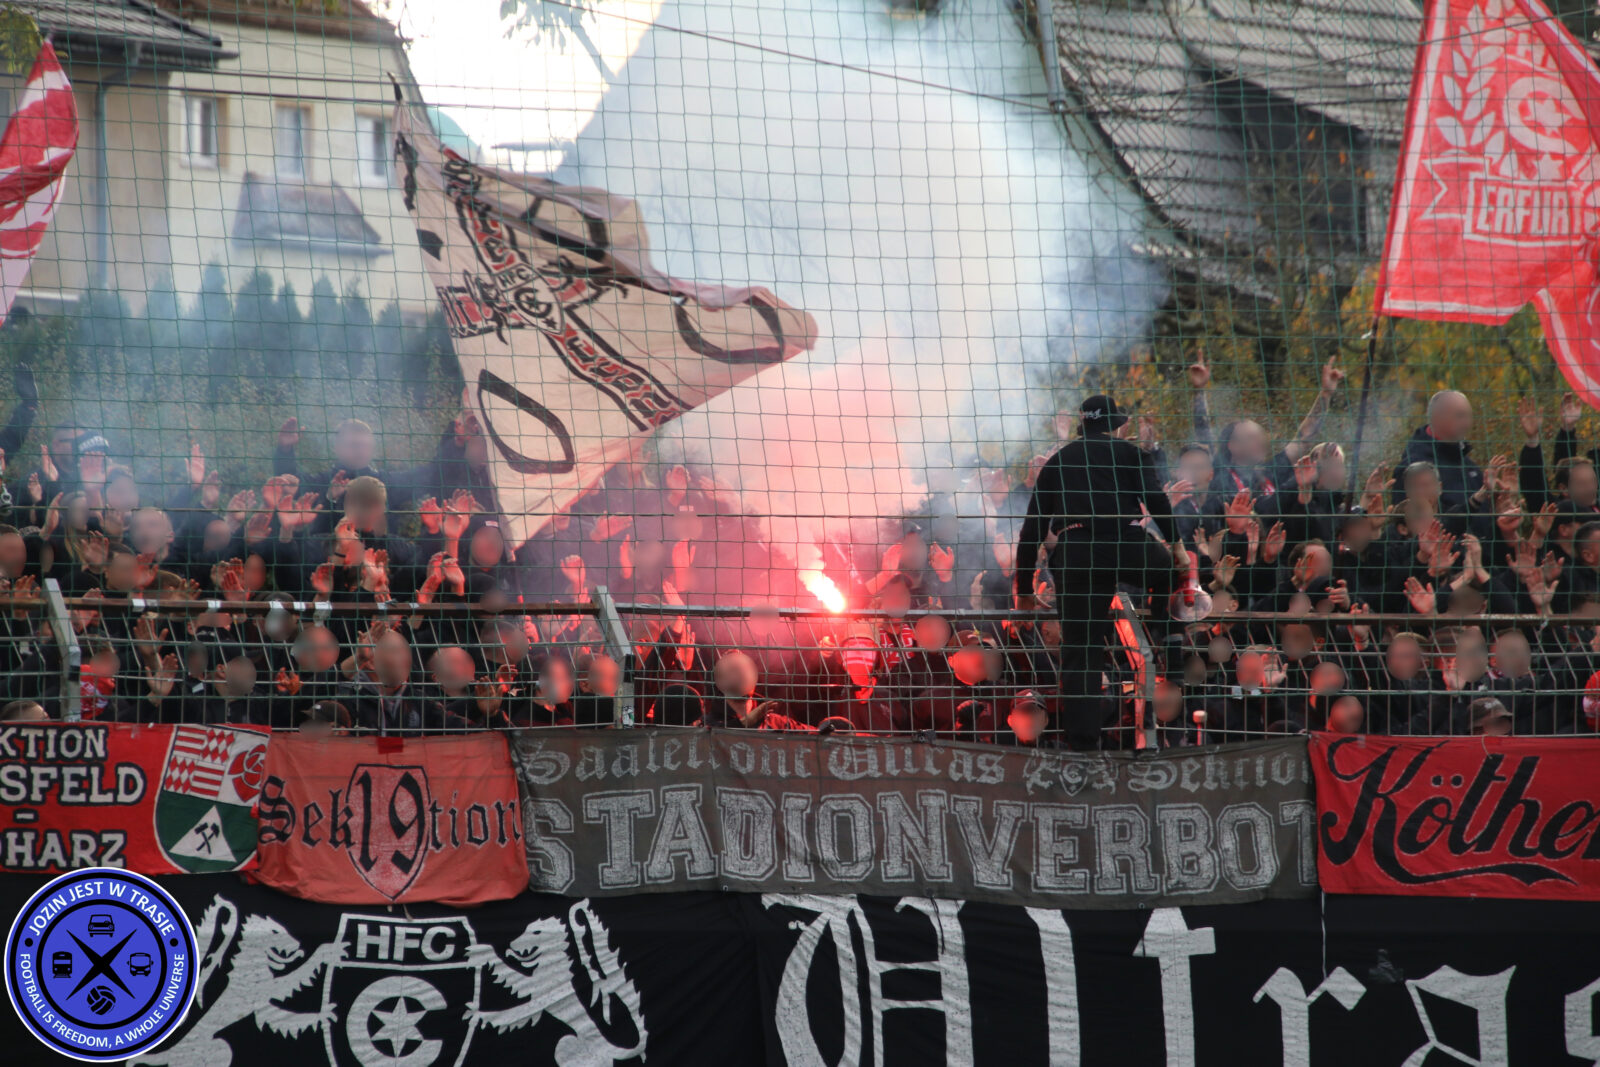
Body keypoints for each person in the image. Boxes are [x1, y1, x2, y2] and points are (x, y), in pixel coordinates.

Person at [1015, 394, 1177, 749]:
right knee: (1169, 569)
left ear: (1082, 424)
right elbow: (1158, 501)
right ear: (1116, 426)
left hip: (1078, 554)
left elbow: (1031, 530)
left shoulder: (1058, 462)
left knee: (1081, 652)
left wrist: (1024, 587)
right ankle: (1165, 628)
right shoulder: (1132, 454)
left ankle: (1084, 748)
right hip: (1126, 543)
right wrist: (1176, 541)